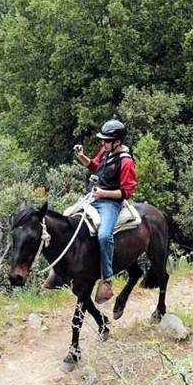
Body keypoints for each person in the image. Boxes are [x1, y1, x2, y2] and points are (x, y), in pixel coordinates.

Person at [73, 119, 137, 303]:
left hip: (110, 203)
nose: (103, 143)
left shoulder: (126, 162)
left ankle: (107, 280)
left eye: (106, 140)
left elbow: (127, 192)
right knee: (68, 218)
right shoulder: (106, 152)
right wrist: (81, 156)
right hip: (93, 197)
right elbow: (95, 166)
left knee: (103, 235)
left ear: (117, 141)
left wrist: (103, 193)